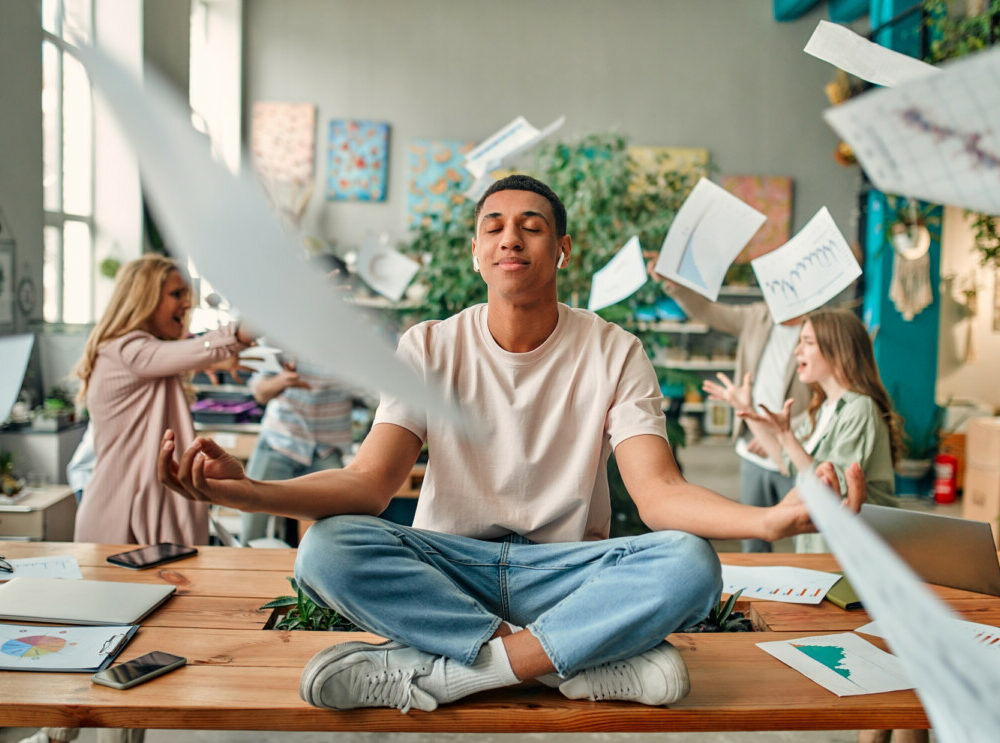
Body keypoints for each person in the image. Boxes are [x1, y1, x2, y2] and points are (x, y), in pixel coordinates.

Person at [158, 175, 865, 715]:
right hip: (450, 566)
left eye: (531, 227)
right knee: (326, 549)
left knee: (688, 562)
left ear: (561, 250)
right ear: (475, 250)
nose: (510, 238)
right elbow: (369, 486)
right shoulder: (428, 346)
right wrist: (246, 488)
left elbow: (658, 496)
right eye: (493, 225)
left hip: (566, 570)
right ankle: (571, 664)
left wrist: (772, 520)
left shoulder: (614, 350)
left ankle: (446, 670)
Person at [73, 254, 254, 546]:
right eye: (176, 294)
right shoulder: (128, 350)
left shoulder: (135, 352)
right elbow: (208, 346)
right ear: (144, 298)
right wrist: (277, 311)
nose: (187, 303)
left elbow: (181, 353)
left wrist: (205, 359)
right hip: (125, 514)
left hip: (144, 504)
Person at [704, 307, 900, 552]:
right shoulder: (821, 409)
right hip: (819, 549)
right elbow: (787, 463)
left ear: (837, 350)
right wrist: (745, 409)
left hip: (853, 551)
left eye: (807, 342)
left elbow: (833, 487)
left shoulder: (859, 409)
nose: (797, 351)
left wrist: (787, 439)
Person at [652, 277, 811, 553]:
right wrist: (674, 285)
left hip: (796, 452)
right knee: (754, 538)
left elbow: (823, 399)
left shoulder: (816, 330)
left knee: (807, 539)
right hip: (752, 450)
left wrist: (782, 435)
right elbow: (707, 311)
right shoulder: (757, 316)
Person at [240, 360, 352, 546]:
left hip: (327, 449)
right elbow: (260, 392)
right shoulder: (286, 340)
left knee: (338, 531)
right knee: (252, 527)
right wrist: (282, 380)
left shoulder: (353, 344)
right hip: (280, 441)